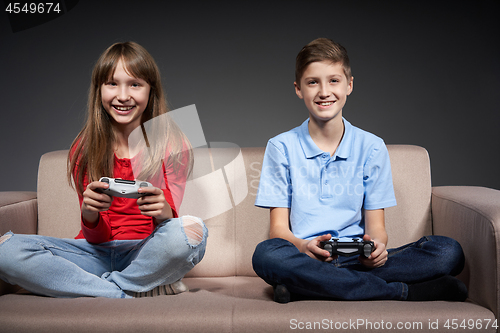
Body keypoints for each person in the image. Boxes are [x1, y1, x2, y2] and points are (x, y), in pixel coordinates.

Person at [252, 38, 467, 303]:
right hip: (304, 256)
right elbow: (278, 232)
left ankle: (304, 286)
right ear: (298, 89)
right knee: (266, 254)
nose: (324, 91)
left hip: (357, 258)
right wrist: (303, 246)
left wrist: (376, 249)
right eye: (312, 82)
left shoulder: (371, 146)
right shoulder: (281, 146)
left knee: (448, 251)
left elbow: (377, 227)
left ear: (349, 85)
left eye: (333, 80)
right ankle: (401, 291)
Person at [0, 41, 207, 298]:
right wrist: (90, 214)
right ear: (99, 90)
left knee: (193, 230)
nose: (122, 96)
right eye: (112, 83)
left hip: (144, 253)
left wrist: (165, 212)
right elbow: (97, 238)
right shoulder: (85, 146)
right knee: (5, 251)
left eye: (135, 84)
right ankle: (128, 290)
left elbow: (168, 232)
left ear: (151, 90)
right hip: (92, 254)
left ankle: (100, 288)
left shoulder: (173, 143)